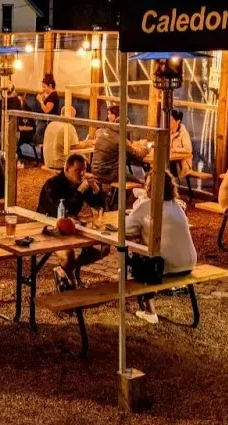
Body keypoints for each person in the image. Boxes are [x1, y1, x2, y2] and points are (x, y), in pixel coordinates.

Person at [126, 172, 197, 323]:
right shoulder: (177, 204)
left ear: (152, 188)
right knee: (148, 247)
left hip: (165, 267)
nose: (146, 189)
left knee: (139, 253)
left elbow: (125, 230)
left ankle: (150, 310)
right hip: (188, 264)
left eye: (148, 186)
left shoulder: (147, 205)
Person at [37, 154, 105, 290]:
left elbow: (100, 207)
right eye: (78, 170)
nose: (82, 174)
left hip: (72, 227)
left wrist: (96, 189)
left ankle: (65, 271)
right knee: (68, 254)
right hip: (49, 226)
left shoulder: (80, 183)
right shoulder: (53, 185)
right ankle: (71, 280)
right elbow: (62, 210)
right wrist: (80, 191)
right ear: (66, 169)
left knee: (103, 248)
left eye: (84, 170)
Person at [91, 105, 150, 184]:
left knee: (126, 173)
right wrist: (148, 147)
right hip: (107, 174)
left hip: (95, 171)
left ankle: (138, 184)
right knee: (138, 181)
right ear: (125, 127)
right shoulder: (120, 139)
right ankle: (139, 186)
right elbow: (139, 155)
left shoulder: (104, 132)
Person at [43, 105, 91, 170]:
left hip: (47, 161)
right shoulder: (68, 126)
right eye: (74, 115)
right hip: (61, 163)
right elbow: (74, 147)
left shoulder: (51, 124)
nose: (74, 118)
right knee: (87, 165)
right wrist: (86, 143)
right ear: (69, 115)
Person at [169, 109, 193, 179]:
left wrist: (174, 150)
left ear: (178, 121)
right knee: (161, 165)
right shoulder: (169, 132)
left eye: (171, 120)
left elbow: (188, 150)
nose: (169, 122)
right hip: (172, 160)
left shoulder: (184, 133)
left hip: (182, 164)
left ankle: (171, 186)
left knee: (168, 166)